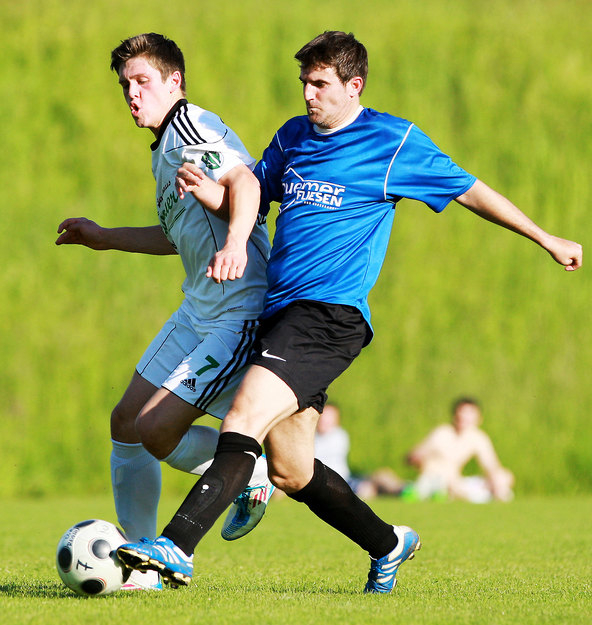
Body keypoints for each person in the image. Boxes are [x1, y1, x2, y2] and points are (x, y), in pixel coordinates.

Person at [116, 31, 582, 594]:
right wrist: (215, 201)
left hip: (330, 317)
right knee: (293, 471)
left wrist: (544, 237)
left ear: (353, 85)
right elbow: (252, 194)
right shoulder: (292, 137)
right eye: (304, 83)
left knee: (241, 421)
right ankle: (388, 544)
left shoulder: (391, 140)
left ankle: (176, 546)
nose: (308, 95)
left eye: (320, 84)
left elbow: (469, 190)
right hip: (280, 314)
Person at [55, 33, 276, 590]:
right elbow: (179, 234)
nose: (132, 93)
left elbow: (245, 182)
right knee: (126, 424)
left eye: (143, 81)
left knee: (157, 433)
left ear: (174, 81)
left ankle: (249, 470)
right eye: (125, 85)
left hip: (235, 308)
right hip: (198, 306)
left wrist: (235, 244)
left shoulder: (189, 130)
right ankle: (140, 564)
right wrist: (105, 237)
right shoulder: (164, 146)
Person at [405, 397, 514, 503]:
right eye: (462, 413)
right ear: (455, 415)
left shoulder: (478, 437)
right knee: (435, 486)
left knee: (503, 476)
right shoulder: (442, 433)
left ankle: (492, 497)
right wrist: (416, 458)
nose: (464, 417)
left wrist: (497, 482)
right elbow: (415, 455)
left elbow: (491, 465)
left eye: (469, 413)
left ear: (478, 418)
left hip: (455, 481)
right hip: (434, 479)